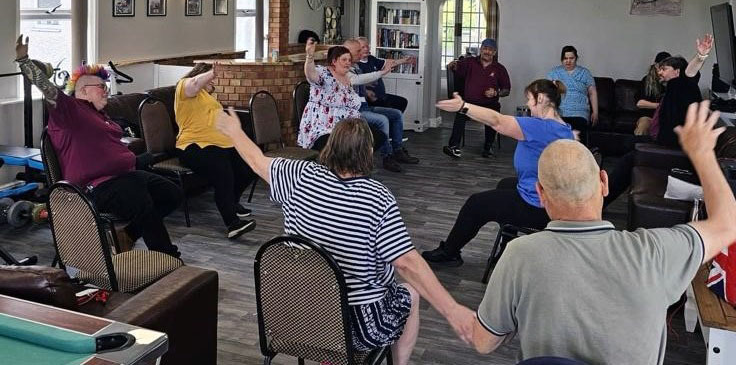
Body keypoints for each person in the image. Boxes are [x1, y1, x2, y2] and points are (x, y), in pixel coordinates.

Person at [470, 102, 736, 364]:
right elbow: (728, 225)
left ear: (540, 194)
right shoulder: (656, 252)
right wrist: (702, 154)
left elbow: (483, 342)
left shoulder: (519, 255)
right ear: (603, 182)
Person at [215, 114, 475, 364]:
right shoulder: (377, 198)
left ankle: (330, 357)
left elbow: (256, 160)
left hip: (293, 314)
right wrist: (452, 309)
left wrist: (235, 131)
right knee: (411, 293)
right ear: (368, 153)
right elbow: (406, 262)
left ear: (330, 145)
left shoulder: (297, 175)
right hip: (354, 327)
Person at [13, 35, 181, 257]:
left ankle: (128, 234)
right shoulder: (71, 111)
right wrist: (25, 61)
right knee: (139, 198)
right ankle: (167, 257)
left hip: (124, 177)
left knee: (172, 194)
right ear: (83, 90)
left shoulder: (102, 116)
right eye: (101, 87)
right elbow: (48, 90)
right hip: (95, 187)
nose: (106, 91)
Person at [422, 80, 574, 267]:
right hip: (550, 199)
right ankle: (506, 251)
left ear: (540, 99)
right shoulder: (563, 128)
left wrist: (463, 106)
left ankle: (450, 252)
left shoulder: (540, 127)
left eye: (529, 99)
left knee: (475, 203)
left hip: (538, 207)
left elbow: (497, 121)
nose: (527, 104)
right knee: (505, 184)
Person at [605, 35, 714, 208]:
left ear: (677, 72)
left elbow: (690, 72)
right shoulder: (673, 88)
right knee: (620, 144)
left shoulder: (684, 85)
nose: (659, 72)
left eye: (664, 69)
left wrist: (700, 57)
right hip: (663, 141)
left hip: (672, 148)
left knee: (628, 158)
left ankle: (599, 201)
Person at [174, 63, 257, 239]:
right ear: (201, 74)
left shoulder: (207, 97)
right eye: (211, 79)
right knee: (223, 170)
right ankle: (232, 224)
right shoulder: (184, 88)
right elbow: (194, 84)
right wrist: (212, 73)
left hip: (220, 145)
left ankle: (232, 203)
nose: (214, 82)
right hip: (193, 145)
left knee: (249, 166)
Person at [344, 39, 419, 172]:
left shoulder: (356, 66)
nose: (363, 51)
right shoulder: (346, 68)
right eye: (359, 50)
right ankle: (387, 156)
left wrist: (403, 60)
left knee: (396, 114)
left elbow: (359, 82)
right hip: (355, 110)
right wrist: (380, 74)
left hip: (366, 106)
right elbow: (355, 80)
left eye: (365, 47)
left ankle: (398, 150)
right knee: (383, 119)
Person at [297, 40, 380, 151]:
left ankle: (353, 164)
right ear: (334, 61)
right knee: (345, 148)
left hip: (349, 127)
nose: (348, 63)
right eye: (344, 60)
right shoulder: (324, 73)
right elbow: (311, 74)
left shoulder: (347, 77)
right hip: (326, 127)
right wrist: (310, 56)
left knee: (378, 137)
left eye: (349, 60)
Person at [444, 38, 511, 158]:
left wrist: (496, 93)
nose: (487, 52)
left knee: (493, 113)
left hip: (489, 103)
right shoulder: (469, 62)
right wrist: (452, 65)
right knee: (460, 112)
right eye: (485, 48)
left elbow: (506, 90)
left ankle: (488, 147)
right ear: (481, 49)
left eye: (490, 50)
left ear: (494, 52)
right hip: (470, 103)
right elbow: (455, 66)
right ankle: (453, 147)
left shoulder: (500, 68)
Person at [546, 45, 597, 145]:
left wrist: (595, 112)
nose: (568, 61)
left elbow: (592, 93)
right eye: (565, 58)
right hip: (560, 111)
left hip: (579, 112)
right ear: (562, 59)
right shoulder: (554, 73)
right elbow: (547, 92)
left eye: (571, 58)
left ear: (576, 59)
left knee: (577, 136)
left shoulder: (585, 73)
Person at [355, 36, 411, 113]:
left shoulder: (371, 58)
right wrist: (366, 92)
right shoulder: (355, 64)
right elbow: (355, 83)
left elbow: (389, 63)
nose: (366, 49)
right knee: (394, 112)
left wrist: (404, 60)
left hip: (381, 96)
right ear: (357, 49)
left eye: (367, 46)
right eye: (363, 47)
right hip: (371, 99)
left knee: (402, 102)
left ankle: (392, 123)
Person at [635, 51, 670, 135]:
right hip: (648, 117)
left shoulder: (673, 82)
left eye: (665, 68)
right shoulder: (647, 80)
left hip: (666, 118)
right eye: (661, 67)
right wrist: (660, 106)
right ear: (655, 65)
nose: (662, 71)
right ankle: (638, 147)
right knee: (644, 124)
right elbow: (640, 103)